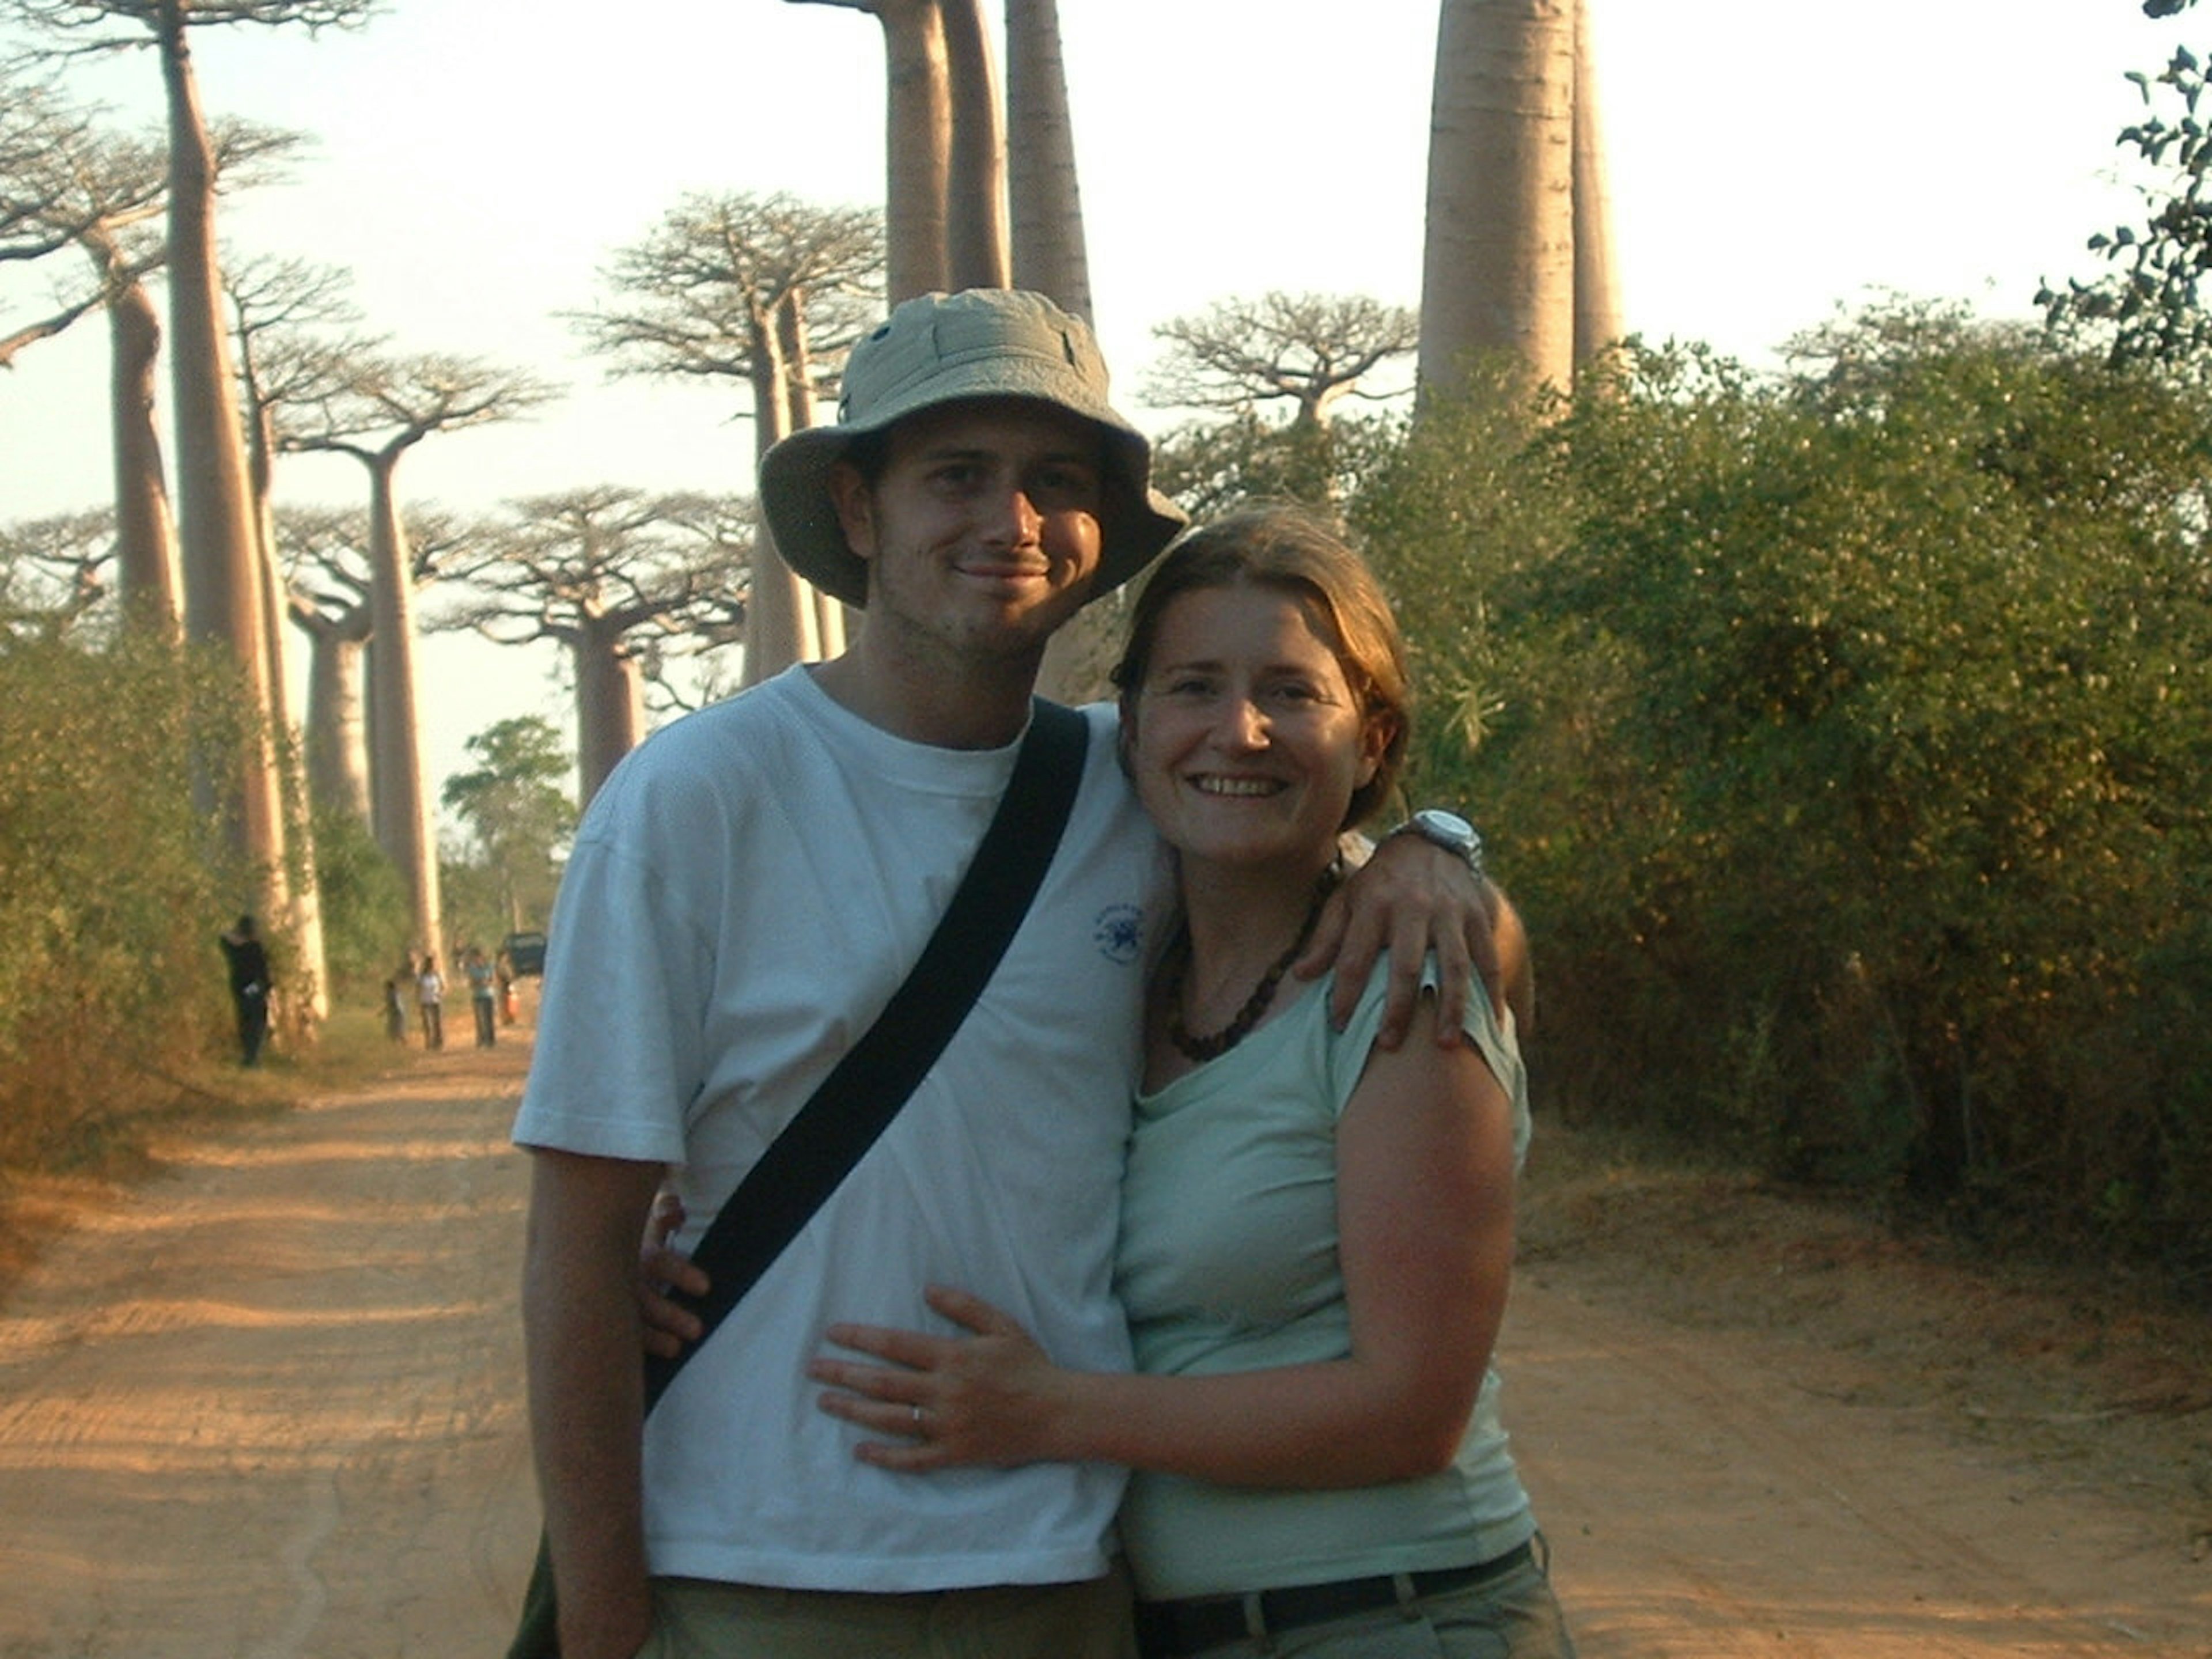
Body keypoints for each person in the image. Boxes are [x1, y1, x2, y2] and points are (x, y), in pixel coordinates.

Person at [515, 289, 1512, 1659]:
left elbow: (1358, 900)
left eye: (1056, 481)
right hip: (752, 1568)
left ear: (1102, 535)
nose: (1013, 522)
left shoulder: (1130, 788)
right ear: (858, 509)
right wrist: (605, 1621)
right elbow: (573, 1245)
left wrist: (1433, 849)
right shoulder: (695, 798)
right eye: (957, 476)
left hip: (1063, 1579)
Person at [802, 508, 1574, 1658]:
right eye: (1194, 687)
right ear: (1128, 729)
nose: (1240, 731)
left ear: (1373, 740)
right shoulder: (1119, 977)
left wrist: (1050, 1411)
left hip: (1395, 1617)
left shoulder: (1404, 989)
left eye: (1293, 693)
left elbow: (1412, 1413)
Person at [217, 914, 270, 1067]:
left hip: (240, 989)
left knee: (247, 1023)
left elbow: (224, 936)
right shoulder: (254, 947)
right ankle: (252, 1058)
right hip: (254, 988)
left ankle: (250, 1057)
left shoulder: (234, 948)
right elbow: (263, 972)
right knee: (256, 1024)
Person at [465, 945, 499, 1047]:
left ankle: (491, 1040)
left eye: (477, 957)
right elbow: (471, 983)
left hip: (488, 995)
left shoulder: (489, 967)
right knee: (479, 1020)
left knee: (489, 1019)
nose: (476, 960)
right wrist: (479, 983)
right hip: (477, 996)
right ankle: (481, 1040)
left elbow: (494, 980)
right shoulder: (472, 968)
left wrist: (486, 983)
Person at [416, 953, 445, 1050]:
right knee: (428, 1024)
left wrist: (441, 993)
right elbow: (418, 989)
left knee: (438, 1023)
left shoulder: (437, 975)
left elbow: (444, 987)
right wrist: (418, 1000)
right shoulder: (422, 976)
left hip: (436, 1001)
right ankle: (429, 1043)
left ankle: (439, 1043)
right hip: (425, 1002)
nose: (433, 966)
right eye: (431, 964)